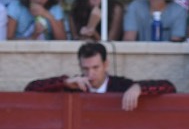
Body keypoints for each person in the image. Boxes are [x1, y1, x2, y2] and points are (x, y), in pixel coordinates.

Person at [25, 41, 176, 111]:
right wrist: (64, 82)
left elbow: (169, 87)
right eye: (85, 68)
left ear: (106, 64)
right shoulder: (73, 85)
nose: (90, 74)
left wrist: (139, 87)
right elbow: (30, 89)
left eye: (96, 67)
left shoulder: (121, 86)